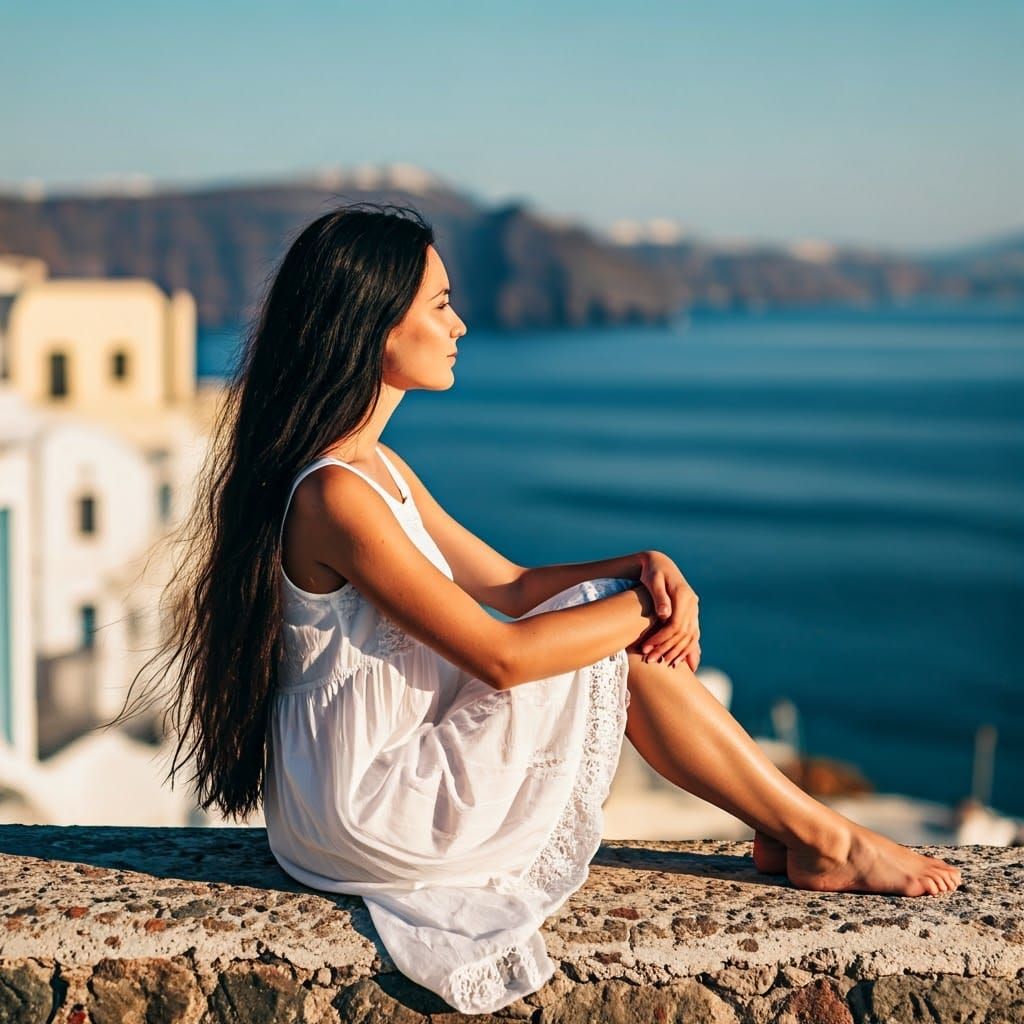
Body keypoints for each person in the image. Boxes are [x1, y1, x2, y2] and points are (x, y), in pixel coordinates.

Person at [123, 202, 962, 1014]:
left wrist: (643, 566)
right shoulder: (335, 496)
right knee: (613, 640)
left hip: (359, 787)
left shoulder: (375, 471)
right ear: (374, 325)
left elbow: (513, 587)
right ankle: (822, 837)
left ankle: (795, 829)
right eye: (441, 306)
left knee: (605, 619)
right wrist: (637, 609)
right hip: (369, 805)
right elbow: (502, 653)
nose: (459, 327)